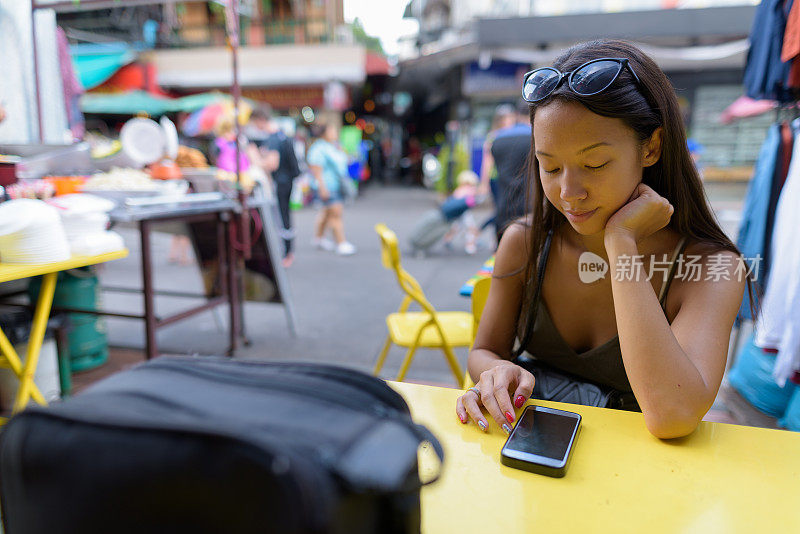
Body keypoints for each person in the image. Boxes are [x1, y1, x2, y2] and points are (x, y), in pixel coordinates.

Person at [455, 39, 750, 440]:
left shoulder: (709, 267)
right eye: (550, 166)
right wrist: (496, 371)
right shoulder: (524, 241)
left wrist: (621, 242)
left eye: (594, 164)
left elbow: (673, 414)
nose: (568, 191)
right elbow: (483, 351)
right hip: (534, 458)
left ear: (651, 147)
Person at [249, 106, 301, 268]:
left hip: (279, 183)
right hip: (288, 181)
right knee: (285, 215)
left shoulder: (272, 138)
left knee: (280, 217)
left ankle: (285, 253)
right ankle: (288, 251)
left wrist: (254, 157)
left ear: (260, 120)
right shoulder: (281, 135)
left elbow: (272, 164)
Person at [483, 102, 533, 244]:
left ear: (517, 115)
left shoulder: (498, 137)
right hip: (526, 207)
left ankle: (501, 247)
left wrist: (483, 184)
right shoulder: (533, 136)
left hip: (504, 203)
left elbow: (489, 163)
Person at [307, 122, 356, 256]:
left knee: (327, 212)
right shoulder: (319, 148)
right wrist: (322, 188)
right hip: (328, 186)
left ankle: (319, 238)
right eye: (332, 129)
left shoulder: (333, 146)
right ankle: (341, 242)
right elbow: (316, 169)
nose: (335, 132)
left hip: (335, 185)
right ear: (324, 132)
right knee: (336, 214)